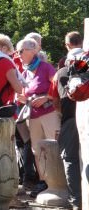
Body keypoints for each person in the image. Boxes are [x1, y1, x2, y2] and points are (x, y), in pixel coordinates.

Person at [15, 38, 60, 198]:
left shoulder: (45, 67)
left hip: (49, 113)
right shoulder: (24, 72)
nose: (18, 54)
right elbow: (25, 94)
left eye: (21, 51)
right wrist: (22, 98)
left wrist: (47, 97)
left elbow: (59, 87)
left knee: (54, 146)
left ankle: (59, 182)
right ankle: (43, 182)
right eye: (17, 51)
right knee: (37, 150)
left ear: (33, 50)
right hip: (32, 116)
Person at [48, 51, 82, 209]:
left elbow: (55, 102)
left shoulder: (60, 73)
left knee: (70, 159)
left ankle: (77, 202)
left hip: (70, 119)